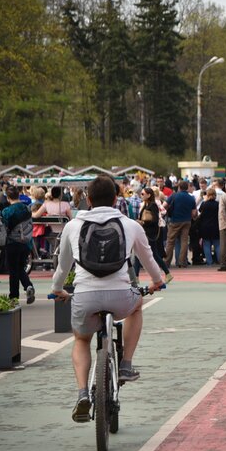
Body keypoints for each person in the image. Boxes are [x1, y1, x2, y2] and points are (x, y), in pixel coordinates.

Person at [50, 175, 165, 422]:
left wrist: (58, 288)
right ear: (116, 199)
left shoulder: (73, 226)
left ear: (88, 200)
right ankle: (126, 364)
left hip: (85, 296)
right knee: (137, 306)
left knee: (81, 339)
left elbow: (63, 266)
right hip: (121, 297)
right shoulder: (130, 225)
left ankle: (83, 393)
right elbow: (149, 260)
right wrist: (157, 281)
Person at [1, 185, 35, 303]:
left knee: (13, 270)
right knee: (20, 267)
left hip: (12, 243)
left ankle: (14, 296)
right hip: (26, 242)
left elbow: (4, 229)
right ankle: (28, 286)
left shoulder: (7, 211)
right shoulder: (27, 209)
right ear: (19, 195)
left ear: (7, 197)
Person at [133, 187, 171, 283]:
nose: (141, 195)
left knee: (150, 254)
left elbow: (155, 220)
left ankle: (136, 277)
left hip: (150, 234)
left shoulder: (153, 205)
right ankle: (136, 277)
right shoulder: (146, 205)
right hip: (145, 232)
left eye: (143, 194)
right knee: (146, 254)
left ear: (149, 195)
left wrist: (143, 222)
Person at [164, 181, 196, 268]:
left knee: (170, 241)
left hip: (174, 221)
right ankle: (182, 262)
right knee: (184, 241)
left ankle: (167, 262)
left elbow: (164, 205)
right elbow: (194, 213)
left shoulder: (174, 196)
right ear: (187, 187)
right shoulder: (191, 198)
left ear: (179, 187)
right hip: (187, 221)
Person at [198, 188, 221, 266]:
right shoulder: (218, 204)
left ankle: (209, 262)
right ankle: (220, 260)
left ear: (207, 195)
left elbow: (200, 211)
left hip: (205, 226)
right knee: (217, 244)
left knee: (206, 245)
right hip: (216, 226)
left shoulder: (204, 204)